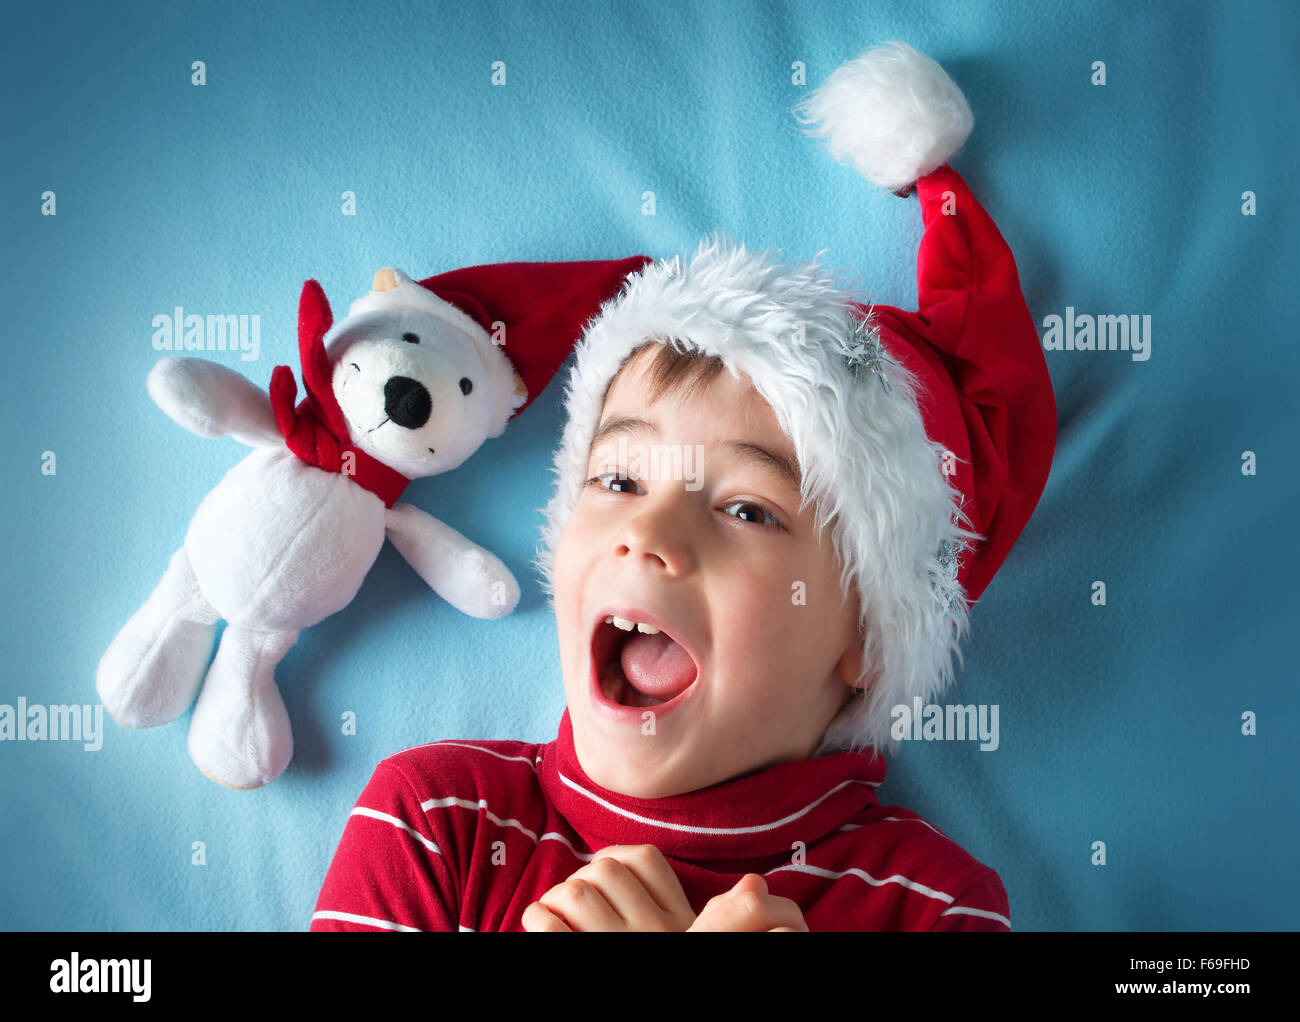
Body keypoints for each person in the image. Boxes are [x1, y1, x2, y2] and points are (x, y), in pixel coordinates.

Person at [309, 40, 1055, 932]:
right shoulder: (436, 825)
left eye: (747, 507)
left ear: (869, 640)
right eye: (619, 477)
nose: (647, 533)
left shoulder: (934, 908)